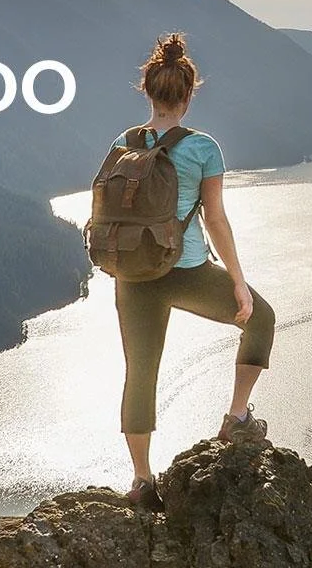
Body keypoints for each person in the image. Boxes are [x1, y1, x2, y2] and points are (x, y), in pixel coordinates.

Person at [115, 33, 277, 512]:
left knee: (140, 374)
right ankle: (237, 417)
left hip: (134, 276)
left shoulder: (125, 142)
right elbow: (215, 219)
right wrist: (238, 282)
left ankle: (142, 482)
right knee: (260, 318)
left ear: (148, 91)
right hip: (184, 269)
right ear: (188, 96)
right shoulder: (203, 148)